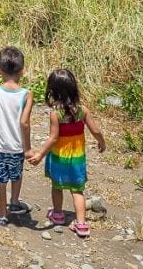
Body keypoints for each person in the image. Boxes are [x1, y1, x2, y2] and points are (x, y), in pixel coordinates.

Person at [26, 68, 107, 238]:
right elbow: (96, 130)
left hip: (59, 157)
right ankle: (82, 224)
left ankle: (57, 214)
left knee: (57, 185)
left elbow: (53, 138)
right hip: (77, 158)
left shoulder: (56, 114)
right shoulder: (83, 110)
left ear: (52, 91)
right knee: (77, 190)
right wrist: (101, 142)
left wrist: (40, 154)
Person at [0, 46, 34, 225]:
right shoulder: (27, 95)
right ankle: (15, 201)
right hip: (17, 148)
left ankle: (3, 214)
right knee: (16, 175)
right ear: (23, 71)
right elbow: (25, 124)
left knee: (0, 181)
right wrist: (28, 148)